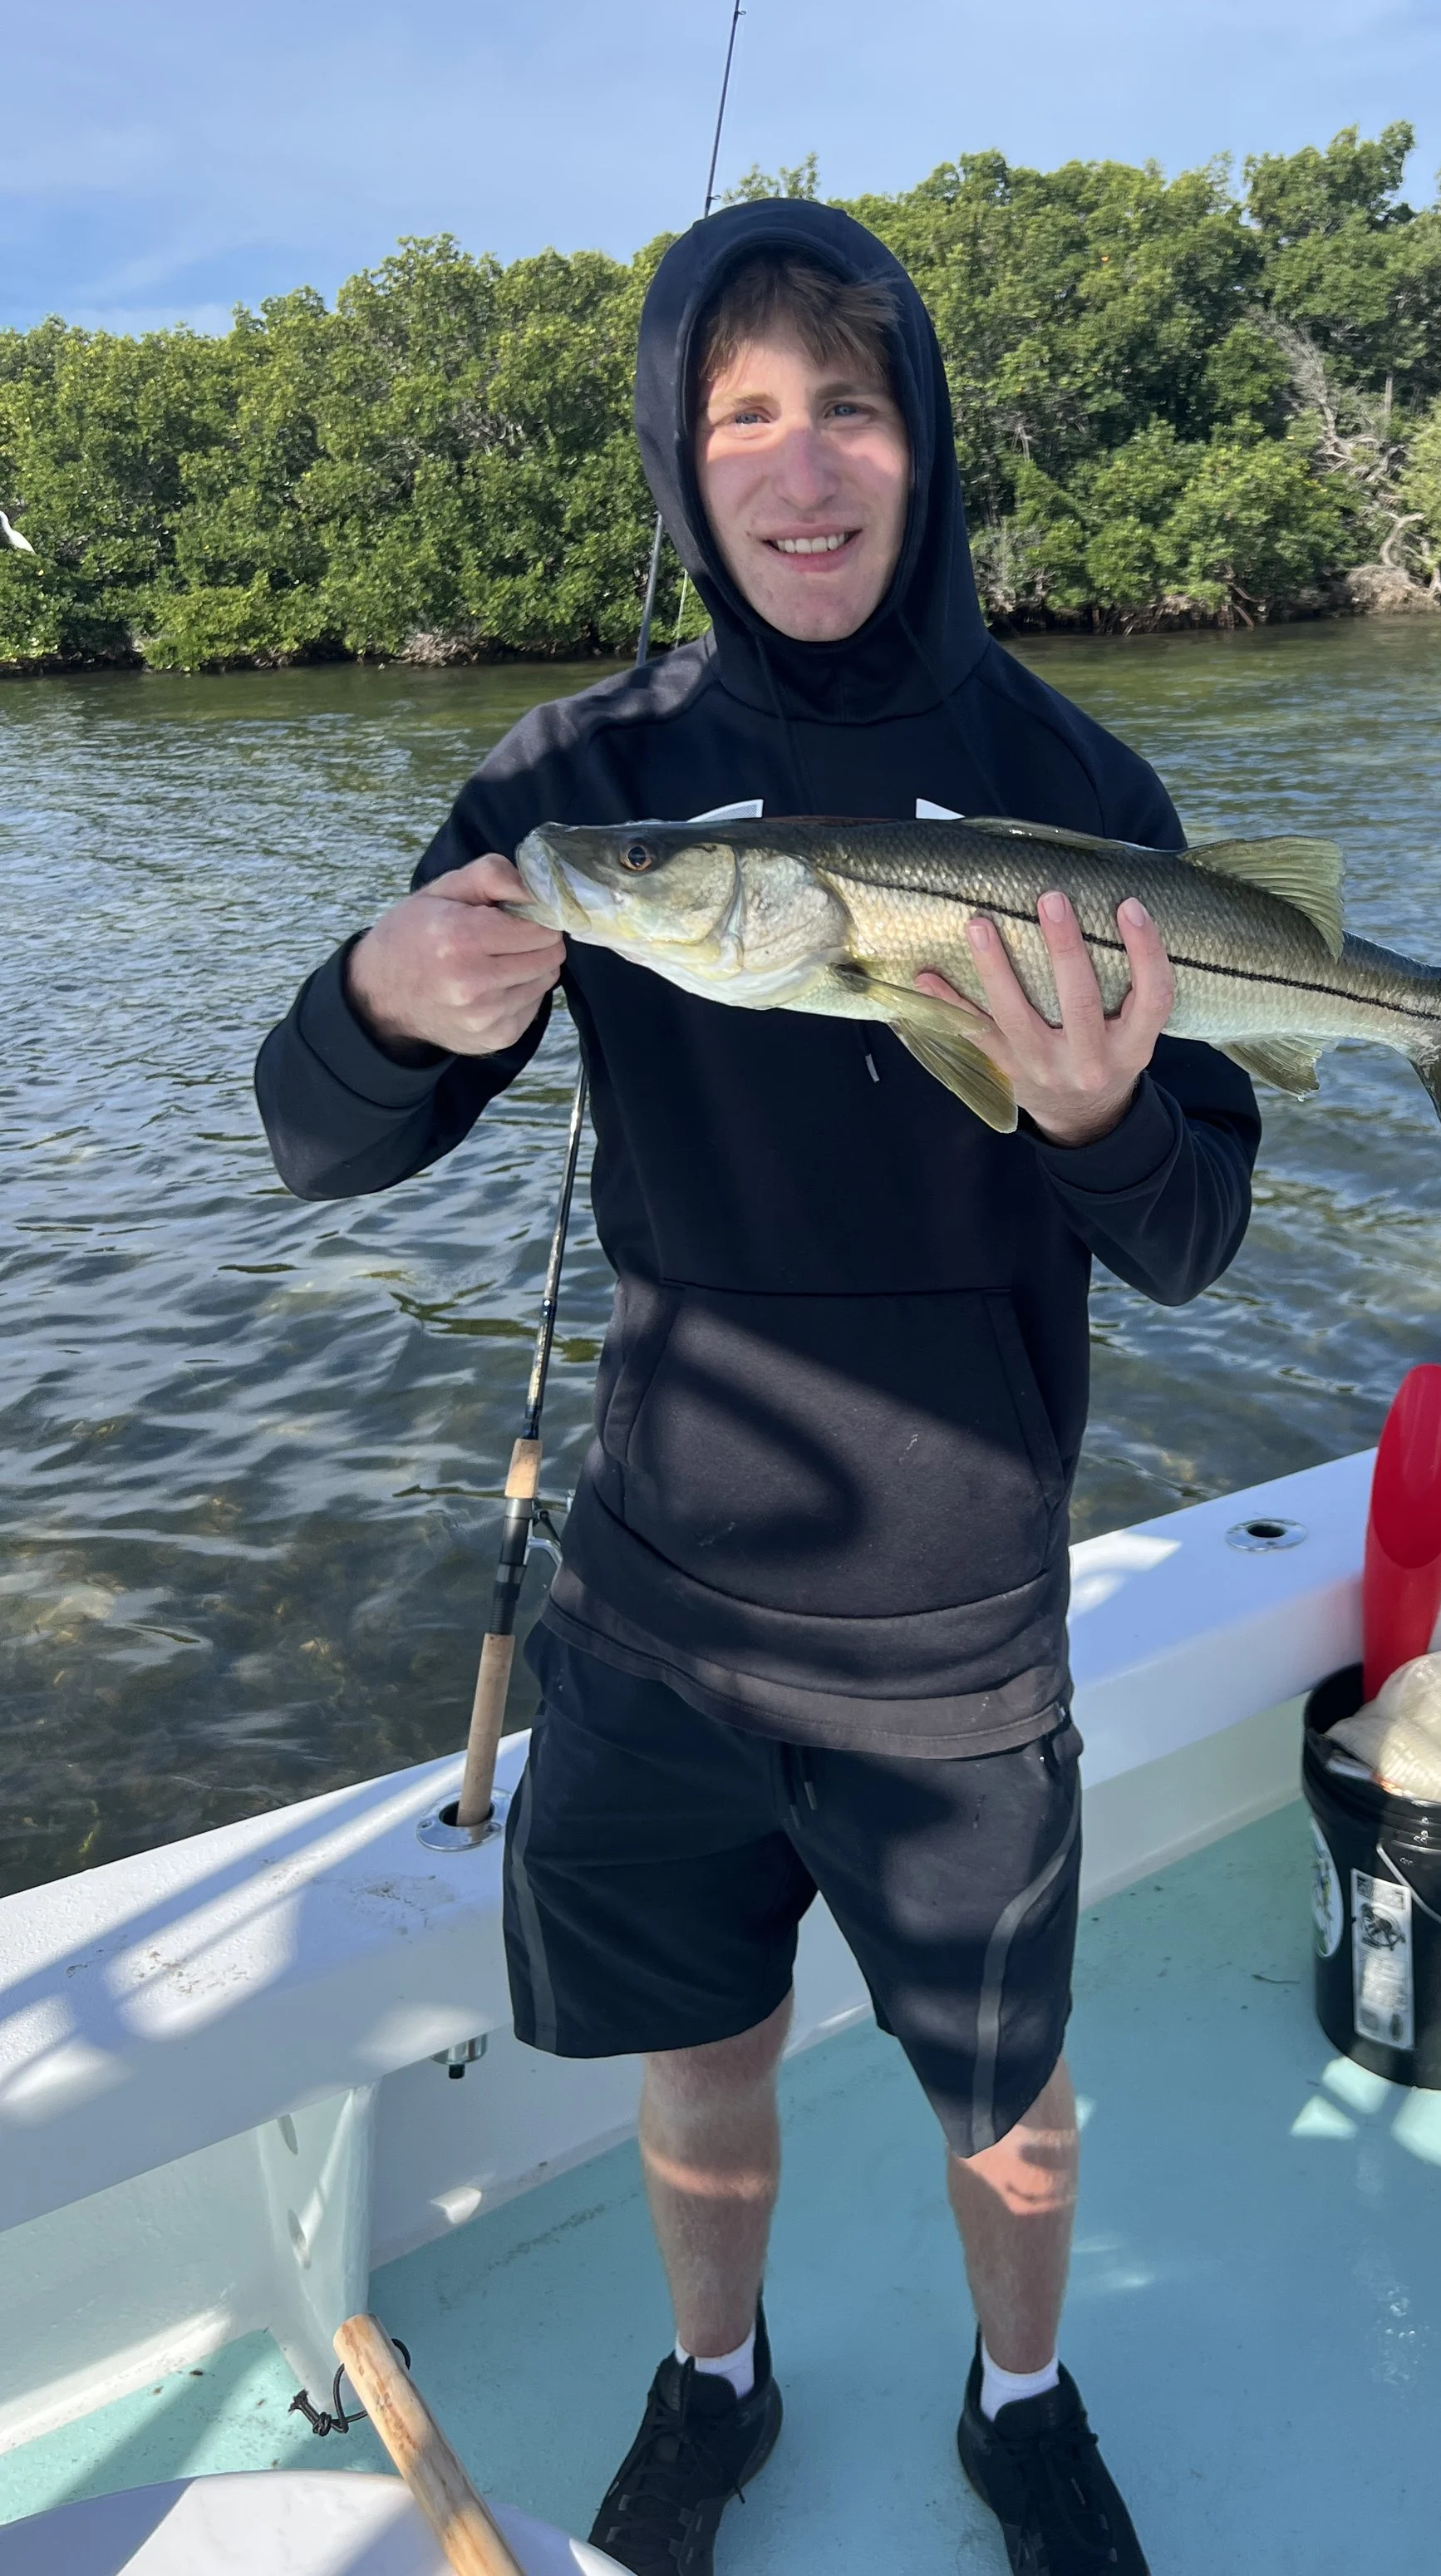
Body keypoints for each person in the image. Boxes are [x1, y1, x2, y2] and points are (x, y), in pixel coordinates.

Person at [255, 199, 1258, 2576]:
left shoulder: (1076, 780)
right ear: (679, 463)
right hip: (655, 1601)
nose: (801, 467)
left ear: (919, 439)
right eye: (741, 416)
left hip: (957, 1621)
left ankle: (1025, 2400)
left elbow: (1195, 1228)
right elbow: (315, 1140)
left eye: (849, 403)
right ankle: (715, 2378)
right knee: (697, 2059)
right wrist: (389, 1000)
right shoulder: (585, 782)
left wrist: (1109, 1112)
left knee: (1003, 2105)